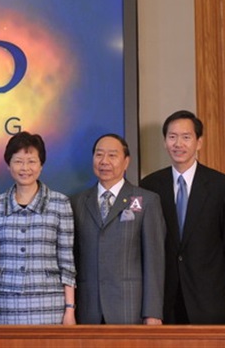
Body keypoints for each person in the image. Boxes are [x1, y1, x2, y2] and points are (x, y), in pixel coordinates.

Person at [140, 110, 225, 324]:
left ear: (199, 142)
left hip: (208, 299)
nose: (178, 144)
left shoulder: (223, 187)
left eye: (186, 137)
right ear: (164, 142)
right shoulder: (149, 186)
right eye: (172, 137)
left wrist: (217, 284)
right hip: (164, 300)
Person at [0, 132, 76, 325]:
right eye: (18, 161)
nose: (25, 168)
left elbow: (67, 263)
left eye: (32, 161)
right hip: (4, 307)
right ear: (9, 165)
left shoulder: (60, 203)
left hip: (48, 306)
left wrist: (70, 310)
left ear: (41, 165)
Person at [71, 133, 164, 324]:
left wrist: (153, 312)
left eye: (112, 155)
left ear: (126, 161)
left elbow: (154, 261)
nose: (104, 161)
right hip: (88, 309)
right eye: (99, 155)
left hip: (130, 308)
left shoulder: (146, 201)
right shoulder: (77, 202)